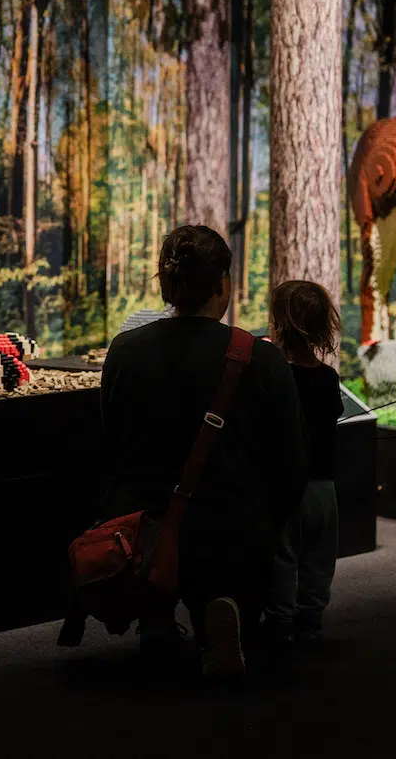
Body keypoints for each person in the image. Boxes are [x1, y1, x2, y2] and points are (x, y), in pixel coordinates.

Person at [100, 225, 306, 678]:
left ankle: (155, 614)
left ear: (166, 286)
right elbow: (290, 463)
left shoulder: (125, 351)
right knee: (229, 552)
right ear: (222, 284)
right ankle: (222, 604)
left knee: (157, 530)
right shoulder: (261, 358)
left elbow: (112, 444)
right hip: (232, 527)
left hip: (144, 531)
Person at [265, 279, 343, 648]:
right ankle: (311, 624)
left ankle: (279, 626)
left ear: (278, 322)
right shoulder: (327, 378)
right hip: (323, 488)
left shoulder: (273, 374)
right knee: (318, 559)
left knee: (283, 558)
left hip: (285, 486)